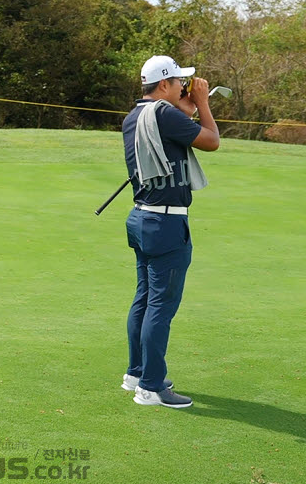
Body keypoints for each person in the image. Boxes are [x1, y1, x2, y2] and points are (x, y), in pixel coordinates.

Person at [119, 55, 219, 409]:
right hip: (166, 222)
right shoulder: (163, 114)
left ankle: (136, 372)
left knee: (144, 299)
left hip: (141, 218)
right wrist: (204, 104)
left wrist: (186, 106)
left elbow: (175, 125)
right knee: (160, 306)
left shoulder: (137, 115)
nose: (184, 87)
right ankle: (149, 387)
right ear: (164, 84)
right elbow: (210, 141)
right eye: (179, 82)